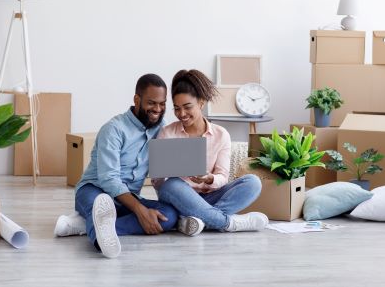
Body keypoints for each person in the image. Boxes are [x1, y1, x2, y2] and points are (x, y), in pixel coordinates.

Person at [64, 74, 178, 259]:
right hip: (95, 190)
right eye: (151, 103)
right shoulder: (114, 129)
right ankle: (100, 237)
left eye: (162, 103)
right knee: (99, 204)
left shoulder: (161, 128)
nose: (158, 109)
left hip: (127, 198)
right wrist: (140, 210)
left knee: (169, 215)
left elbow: (165, 169)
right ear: (136, 99)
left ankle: (92, 226)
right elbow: (108, 179)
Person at [152, 69, 268, 236]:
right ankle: (228, 222)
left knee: (253, 182)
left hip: (212, 196)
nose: (181, 114)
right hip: (180, 198)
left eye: (187, 107)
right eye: (177, 109)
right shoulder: (167, 133)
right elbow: (159, 184)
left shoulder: (221, 134)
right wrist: (162, 173)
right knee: (171, 185)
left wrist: (209, 178)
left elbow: (222, 176)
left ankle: (196, 220)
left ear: (201, 102)